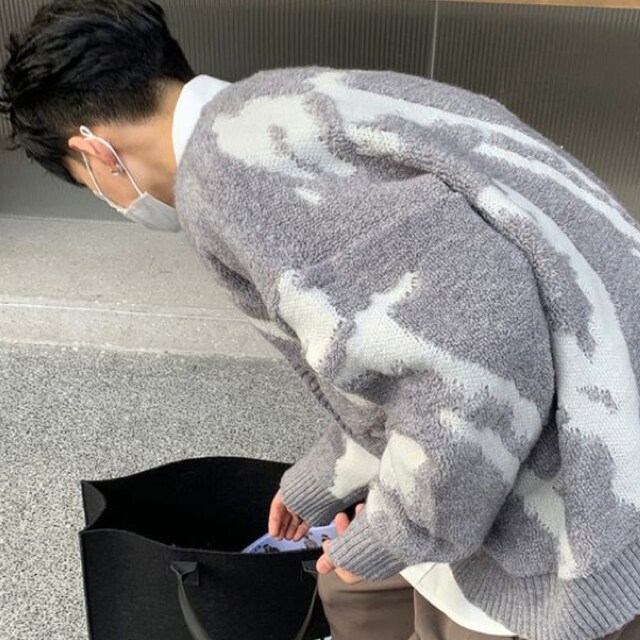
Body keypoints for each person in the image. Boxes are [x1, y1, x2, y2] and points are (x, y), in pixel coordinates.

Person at [2, 2, 640, 639]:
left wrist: (395, 533)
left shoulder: (230, 182)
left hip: (591, 471)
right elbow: (409, 347)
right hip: (603, 368)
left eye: (88, 183)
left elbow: (478, 360)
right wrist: (321, 481)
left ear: (94, 152)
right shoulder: (282, 100)